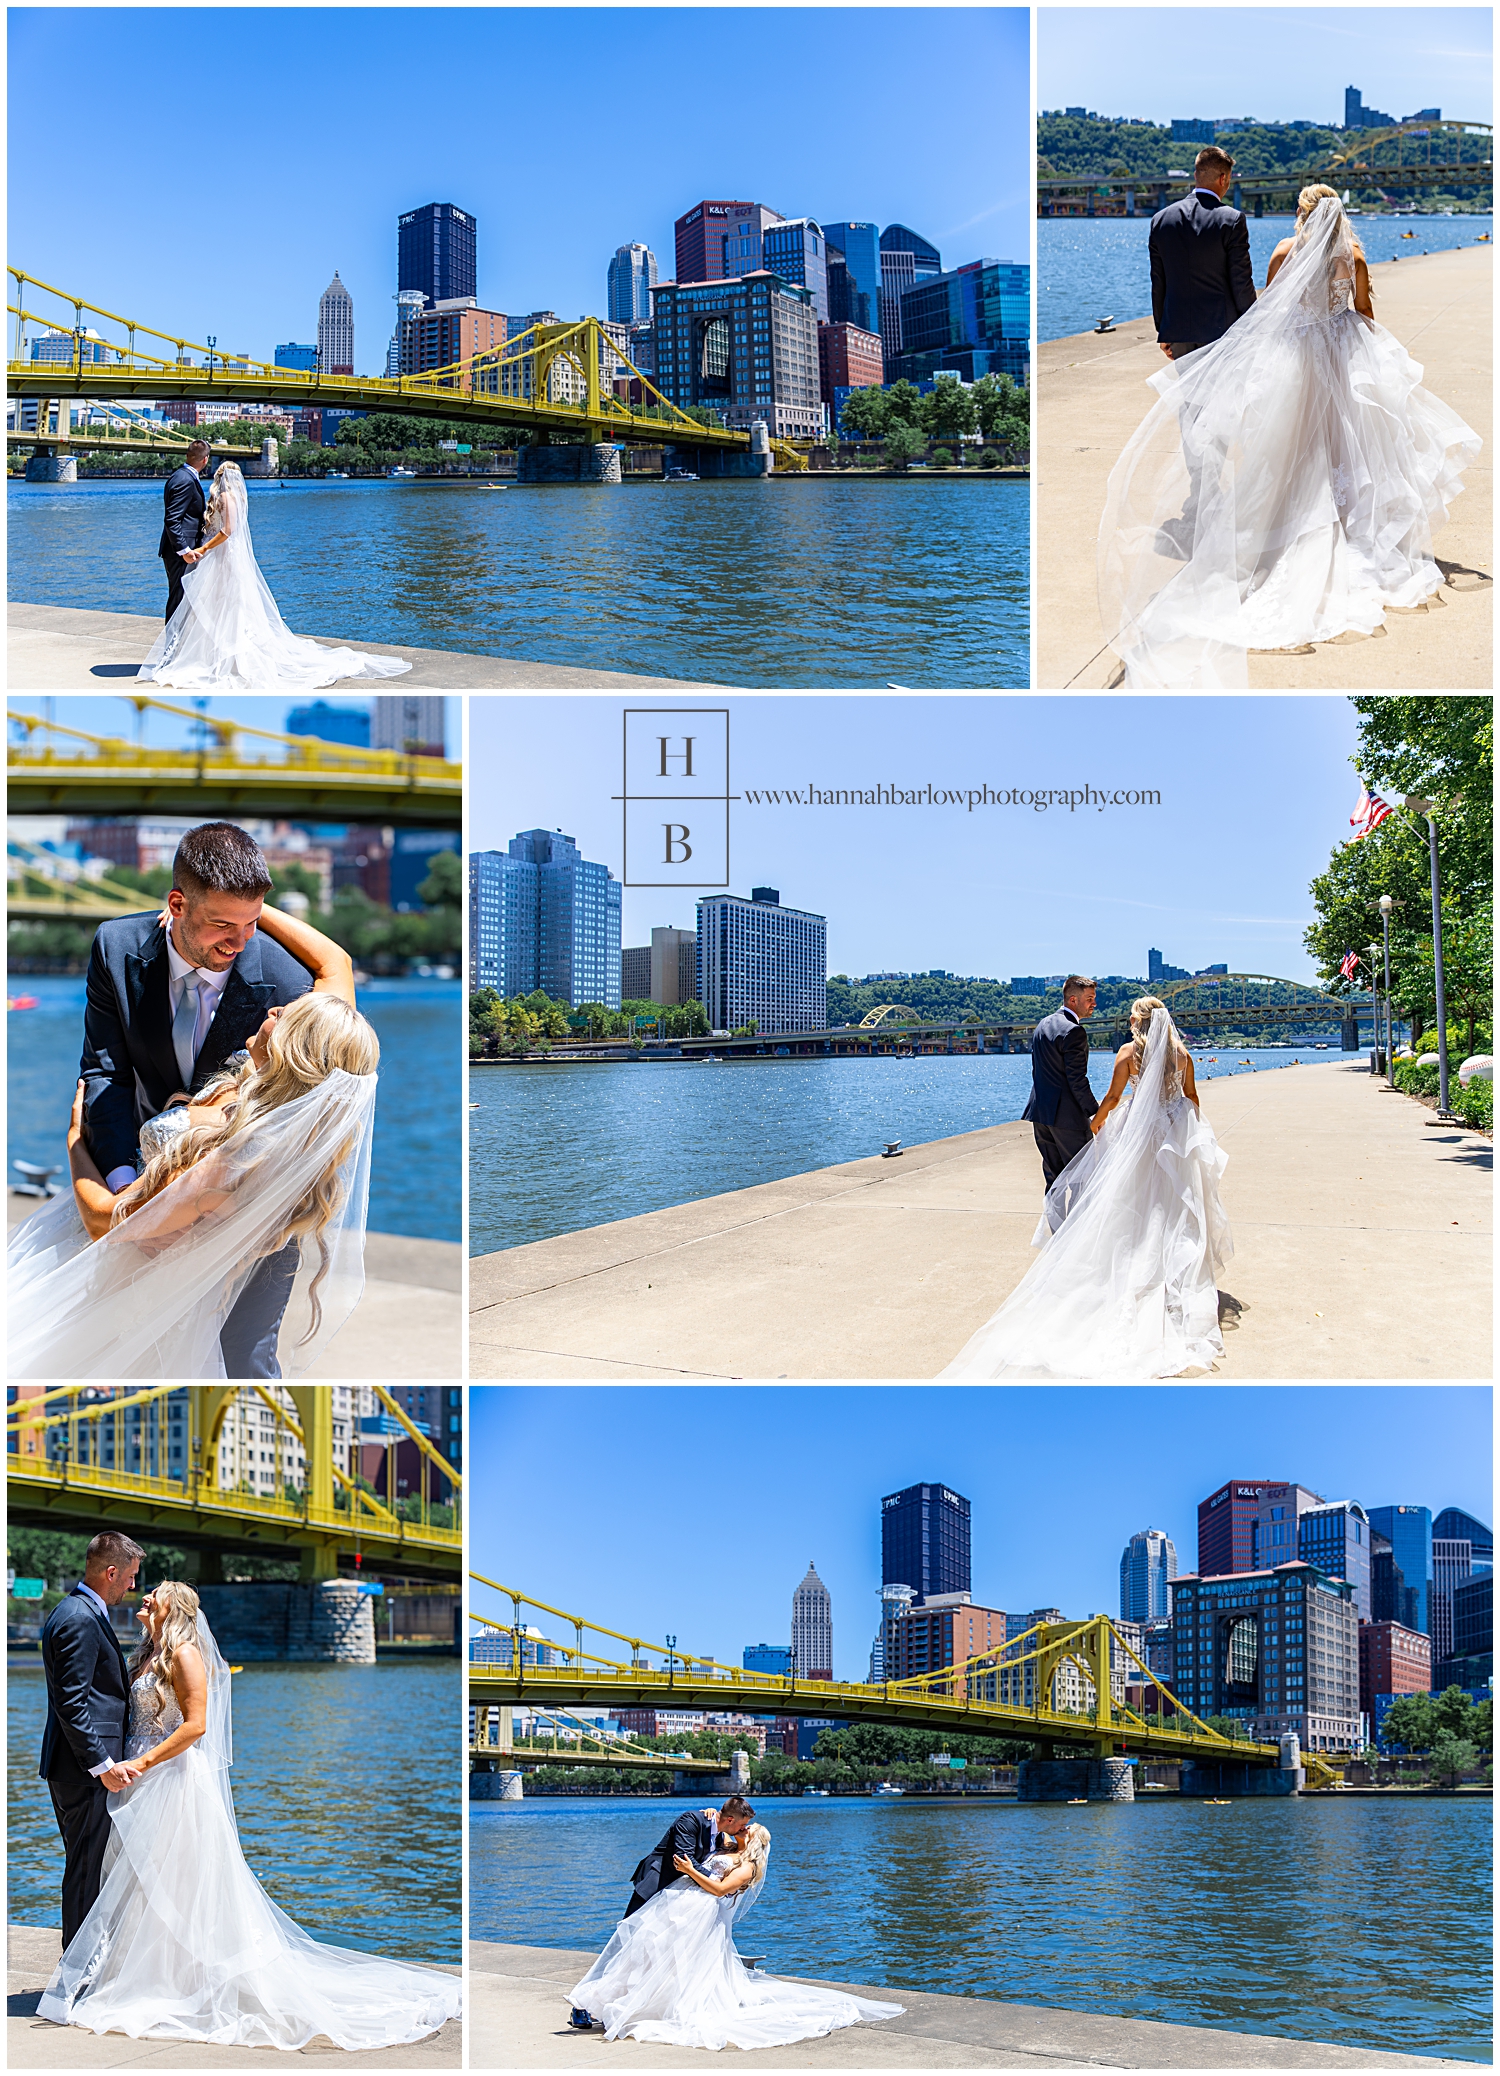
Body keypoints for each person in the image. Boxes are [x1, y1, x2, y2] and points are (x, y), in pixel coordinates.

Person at [37, 1580, 460, 2050]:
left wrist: (144, 1761)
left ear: (174, 1606)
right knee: (138, 1881)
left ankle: (181, 1983)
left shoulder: (186, 1656)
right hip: (137, 1783)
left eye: (153, 1592)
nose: (143, 1594)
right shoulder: (145, 1653)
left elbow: (196, 1725)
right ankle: (145, 1973)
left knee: (177, 1882)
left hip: (171, 1779)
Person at [1100, 185, 1481, 687]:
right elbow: (1365, 313)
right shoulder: (1354, 257)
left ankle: (1289, 528)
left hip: (1297, 355)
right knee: (1347, 443)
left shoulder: (1284, 251)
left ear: (1302, 215)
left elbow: (1268, 307)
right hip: (1341, 354)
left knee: (1295, 447)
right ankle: (1350, 526)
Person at [65, 821, 353, 1375]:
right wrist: (132, 1189)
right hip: (141, 1177)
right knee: (133, 1352)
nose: (241, 941)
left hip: (259, 1211)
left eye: (252, 922)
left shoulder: (289, 983)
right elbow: (105, 1075)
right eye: (223, 922)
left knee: (244, 1360)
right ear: (176, 904)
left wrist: (81, 1157)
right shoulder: (115, 947)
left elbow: (333, 968)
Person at [8, 985, 380, 1380]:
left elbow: (105, 1223)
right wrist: (258, 918)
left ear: (295, 1050)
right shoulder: (260, 1104)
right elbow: (333, 963)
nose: (272, 1009)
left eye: (285, 1015)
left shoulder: (228, 1160)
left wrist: (76, 1145)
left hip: (109, 1282)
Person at [941, 999, 1234, 1378]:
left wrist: (1098, 1122)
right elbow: (1191, 1097)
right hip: (1172, 1134)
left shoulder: (1130, 1053)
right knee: (1173, 1203)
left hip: (1139, 1135)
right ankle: (1169, 1277)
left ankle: (1129, 1273)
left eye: (1131, 1016)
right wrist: (1189, 1127)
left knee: (1131, 1201)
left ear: (1138, 1021)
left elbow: (1113, 1098)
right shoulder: (1182, 1055)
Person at [567, 1814, 903, 2050]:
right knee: (653, 1957)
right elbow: (716, 1830)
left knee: (673, 1963)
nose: (743, 1828)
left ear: (753, 1839)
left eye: (748, 1828)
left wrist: (687, 1870)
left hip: (699, 1913)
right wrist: (712, 1818)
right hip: (681, 1909)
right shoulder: (730, 1849)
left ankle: (624, 2006)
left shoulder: (748, 1867)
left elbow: (717, 1889)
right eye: (743, 1825)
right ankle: (609, 2002)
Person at [138, 461, 411, 688]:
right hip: (226, 558)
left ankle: (221, 658)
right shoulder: (238, 497)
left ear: (220, 478)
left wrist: (204, 548)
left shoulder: (224, 498)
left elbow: (227, 531)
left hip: (220, 557)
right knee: (228, 606)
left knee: (224, 607)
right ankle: (219, 656)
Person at [38, 1532, 144, 1949]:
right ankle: (74, 1981)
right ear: (111, 1572)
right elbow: (71, 1702)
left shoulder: (78, 1611)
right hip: (85, 1772)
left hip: (76, 1766)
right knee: (86, 1870)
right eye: (130, 1577)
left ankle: (82, 1969)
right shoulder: (80, 1618)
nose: (132, 1587)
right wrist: (102, 1765)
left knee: (88, 1866)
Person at [1148, 144, 1256, 362]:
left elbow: (1158, 283)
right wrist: (1253, 326)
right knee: (1220, 395)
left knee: (1189, 396)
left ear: (1196, 175)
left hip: (1178, 331)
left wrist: (1165, 330)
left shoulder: (1160, 220)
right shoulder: (1232, 220)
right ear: (1224, 179)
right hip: (1221, 332)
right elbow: (1241, 282)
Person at [1023, 975, 1100, 1192]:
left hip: (1041, 1115)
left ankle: (1056, 1226)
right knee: (1083, 1179)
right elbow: (1077, 1079)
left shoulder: (1042, 1025)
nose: (1094, 1003)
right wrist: (1095, 1112)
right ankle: (1080, 1226)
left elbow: (1037, 1071)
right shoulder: (1074, 1031)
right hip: (1068, 1118)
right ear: (1073, 1000)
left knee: (1053, 1180)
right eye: (1090, 998)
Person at [158, 442, 209, 622]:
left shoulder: (179, 476)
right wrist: (184, 551)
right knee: (178, 599)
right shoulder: (185, 480)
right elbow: (172, 519)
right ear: (205, 459)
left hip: (179, 549)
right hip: (180, 551)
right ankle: (172, 647)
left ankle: (178, 645)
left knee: (183, 598)